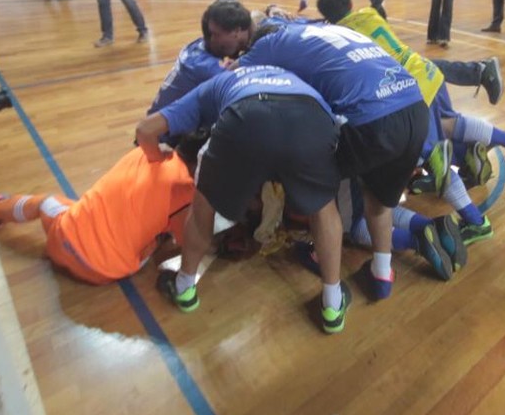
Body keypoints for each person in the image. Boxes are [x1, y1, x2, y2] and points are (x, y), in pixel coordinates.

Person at [317, 0, 505, 249]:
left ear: (328, 18)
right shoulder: (369, 14)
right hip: (427, 72)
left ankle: (476, 222)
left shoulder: (340, 35)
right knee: (450, 125)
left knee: (435, 159)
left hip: (409, 90)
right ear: (350, 2)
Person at [136, 66, 349, 334]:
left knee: (203, 209)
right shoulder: (294, 75)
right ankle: (332, 304)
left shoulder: (215, 84)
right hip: (309, 119)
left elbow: (145, 130)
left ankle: (184, 287)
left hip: (245, 118)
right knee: (324, 208)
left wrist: (158, 160)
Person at [237, 20, 426, 301]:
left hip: (371, 120)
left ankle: (331, 295)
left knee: (320, 198)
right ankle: (382, 274)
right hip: (415, 108)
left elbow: (232, 76)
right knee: (378, 202)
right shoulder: (319, 30)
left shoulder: (268, 44)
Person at [0, 149, 194, 285]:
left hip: (63, 241)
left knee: (47, 202)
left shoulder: (144, 150)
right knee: (158, 238)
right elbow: (187, 243)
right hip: (107, 272)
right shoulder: (189, 194)